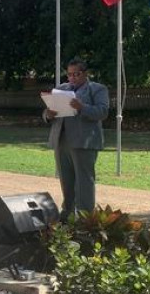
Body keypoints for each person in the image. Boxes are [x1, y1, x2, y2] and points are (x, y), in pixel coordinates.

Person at [44, 57, 109, 221]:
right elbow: (47, 113)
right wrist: (48, 114)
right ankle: (67, 215)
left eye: (76, 74)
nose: (72, 78)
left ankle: (85, 218)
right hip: (62, 140)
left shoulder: (97, 89)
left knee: (84, 181)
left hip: (83, 141)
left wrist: (82, 107)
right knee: (66, 180)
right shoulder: (61, 89)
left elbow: (102, 112)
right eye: (70, 74)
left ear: (85, 74)